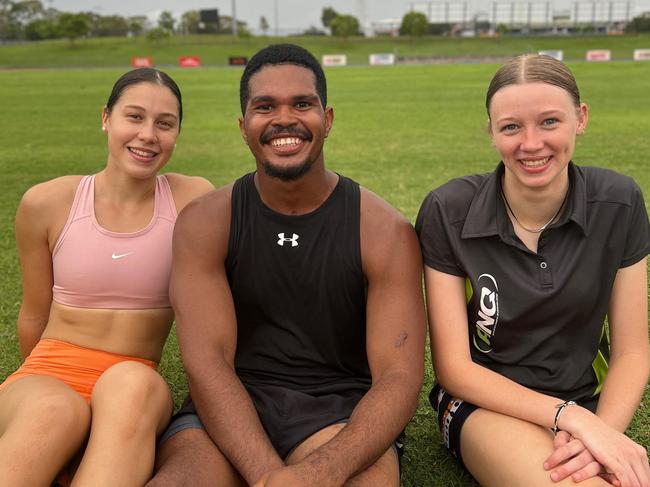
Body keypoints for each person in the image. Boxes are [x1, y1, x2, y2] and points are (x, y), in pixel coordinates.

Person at [147, 44, 426, 487]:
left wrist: (319, 472)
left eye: (302, 103)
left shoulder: (383, 231)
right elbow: (208, 363)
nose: (284, 119)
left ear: (327, 119)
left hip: (339, 415)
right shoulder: (205, 221)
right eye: (265, 107)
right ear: (244, 127)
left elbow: (399, 378)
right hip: (228, 408)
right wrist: (268, 476)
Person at [415, 54, 650, 487]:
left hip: (587, 404)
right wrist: (570, 419)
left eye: (549, 122)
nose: (531, 143)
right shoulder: (448, 211)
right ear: (491, 131)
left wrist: (601, 428)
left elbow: (633, 351)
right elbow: (454, 368)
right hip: (483, 406)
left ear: (580, 118)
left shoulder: (619, 202)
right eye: (510, 127)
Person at [0, 67, 214, 487]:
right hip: (48, 376)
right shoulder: (48, 202)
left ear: (176, 134)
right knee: (55, 410)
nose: (148, 134)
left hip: (133, 382)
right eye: (134, 117)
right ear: (106, 118)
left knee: (131, 384)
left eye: (164, 124)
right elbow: (33, 315)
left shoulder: (192, 200)